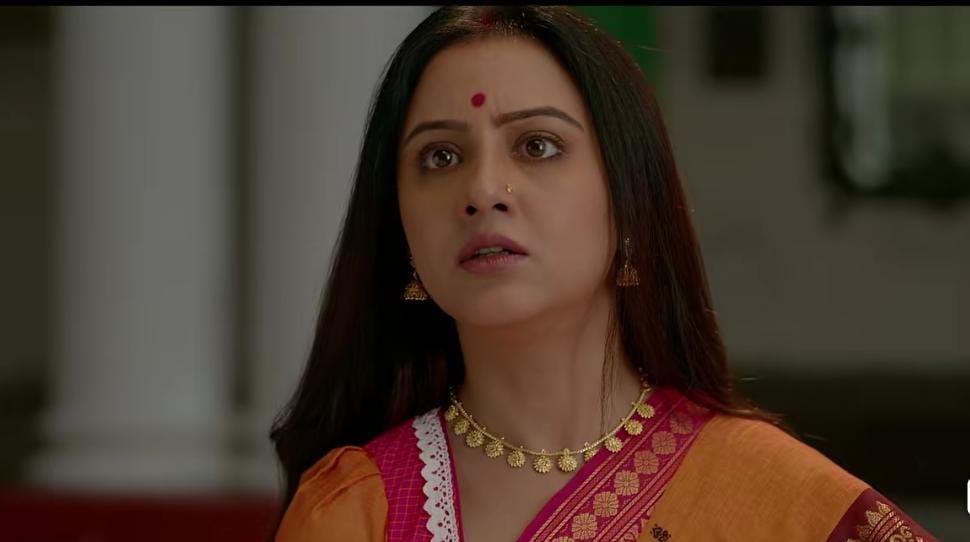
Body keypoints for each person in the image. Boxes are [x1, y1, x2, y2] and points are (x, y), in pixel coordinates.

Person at [269, 6, 937, 541]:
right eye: (440, 157)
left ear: (629, 203)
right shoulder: (358, 511)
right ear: (401, 228)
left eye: (537, 145)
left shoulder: (770, 497)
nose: (483, 190)